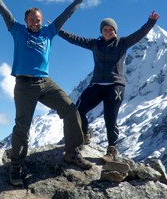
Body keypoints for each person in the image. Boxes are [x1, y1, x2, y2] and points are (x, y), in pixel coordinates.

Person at [0, 0, 93, 187]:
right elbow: (3, 10)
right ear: (26, 21)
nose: (35, 21)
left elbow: (66, 15)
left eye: (38, 18)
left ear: (42, 20)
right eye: (32, 19)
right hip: (24, 84)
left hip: (45, 82)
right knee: (22, 126)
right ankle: (16, 166)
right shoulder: (17, 30)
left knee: (71, 110)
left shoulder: (49, 32)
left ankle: (72, 153)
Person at [58, 10, 160, 162]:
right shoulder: (95, 44)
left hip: (115, 86)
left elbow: (139, 34)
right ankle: (85, 135)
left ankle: (112, 150)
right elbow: (75, 39)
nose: (108, 32)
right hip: (97, 84)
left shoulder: (123, 43)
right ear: (101, 31)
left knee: (110, 118)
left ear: (115, 31)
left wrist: (150, 22)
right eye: (105, 29)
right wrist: (58, 31)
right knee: (78, 110)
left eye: (110, 29)